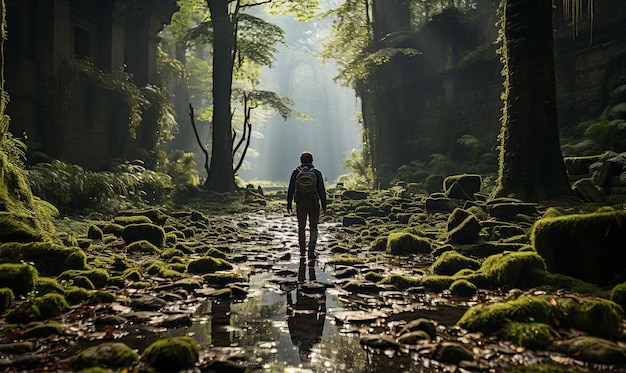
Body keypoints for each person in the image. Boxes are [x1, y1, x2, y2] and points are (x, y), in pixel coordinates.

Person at [287, 151, 327, 258]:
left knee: (301, 227)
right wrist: (324, 205)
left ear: (301, 161)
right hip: (314, 203)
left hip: (301, 203)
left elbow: (291, 189)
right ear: (312, 160)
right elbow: (321, 190)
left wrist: (289, 204)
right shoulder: (316, 172)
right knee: (313, 227)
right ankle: (311, 250)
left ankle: (302, 251)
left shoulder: (296, 172)